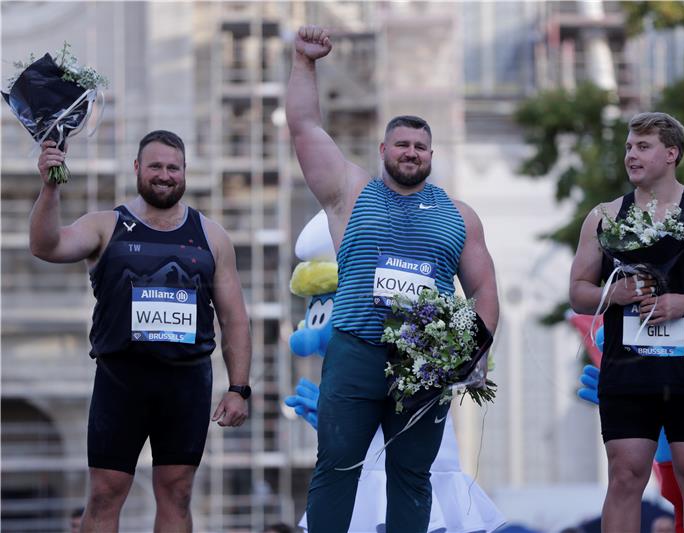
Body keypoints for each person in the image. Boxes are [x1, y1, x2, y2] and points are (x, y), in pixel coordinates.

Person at [287, 25, 499, 533]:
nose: (411, 152)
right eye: (402, 143)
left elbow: (485, 290)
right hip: (357, 347)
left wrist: (474, 352)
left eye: (421, 146)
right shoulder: (351, 192)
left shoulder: (459, 215)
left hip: (426, 362)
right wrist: (304, 62)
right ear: (383, 149)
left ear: (432, 154)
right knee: (336, 466)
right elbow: (305, 127)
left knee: (412, 474)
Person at [31, 131, 252, 532]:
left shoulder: (212, 236)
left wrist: (239, 388)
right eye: (155, 166)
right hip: (121, 380)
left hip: (186, 381)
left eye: (173, 168)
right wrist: (49, 189)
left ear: (185, 173)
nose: (164, 175)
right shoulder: (106, 225)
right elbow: (46, 246)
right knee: (105, 492)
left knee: (178, 492)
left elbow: (235, 318)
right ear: (137, 168)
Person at [569, 112, 684, 533]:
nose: (631, 155)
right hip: (628, 370)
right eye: (628, 147)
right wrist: (613, 294)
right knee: (624, 476)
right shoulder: (603, 216)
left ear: (671, 153)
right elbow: (578, 290)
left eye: (643, 146)